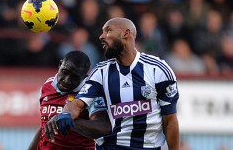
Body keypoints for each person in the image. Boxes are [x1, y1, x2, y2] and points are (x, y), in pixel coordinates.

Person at [44, 18, 180, 150]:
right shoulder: (100, 72)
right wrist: (65, 114)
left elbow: (170, 121)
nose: (101, 36)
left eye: (108, 31)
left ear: (126, 34)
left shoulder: (158, 70)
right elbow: (77, 104)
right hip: (110, 146)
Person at [28, 51, 111, 150]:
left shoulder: (90, 93)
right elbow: (44, 125)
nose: (67, 80)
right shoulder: (47, 86)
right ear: (60, 65)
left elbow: (103, 128)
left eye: (74, 77)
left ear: (84, 77)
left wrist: (68, 121)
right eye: (65, 72)